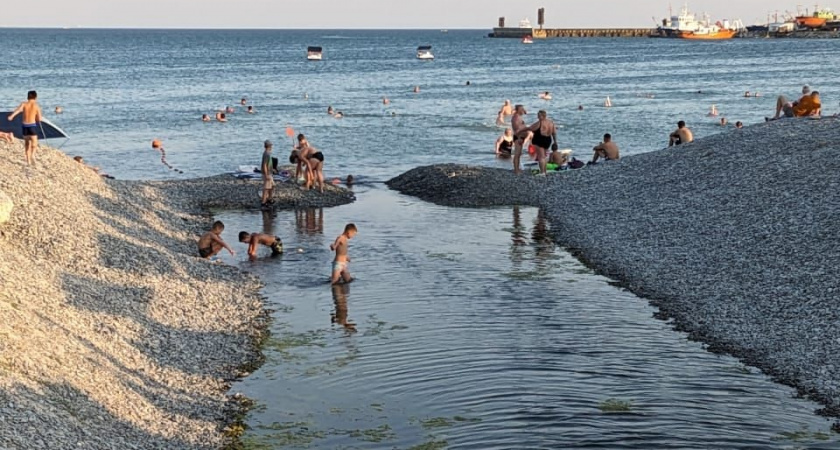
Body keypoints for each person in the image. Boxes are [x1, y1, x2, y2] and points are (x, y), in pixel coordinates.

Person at [8, 90, 43, 166]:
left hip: (24, 126)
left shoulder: (24, 104)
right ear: (35, 97)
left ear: (28, 97)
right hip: (32, 125)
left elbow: (17, 111)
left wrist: (11, 116)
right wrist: (36, 118)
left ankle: (28, 161)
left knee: (27, 143)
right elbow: (40, 119)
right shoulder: (36, 106)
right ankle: (33, 155)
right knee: (34, 142)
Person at [528, 110, 557, 176]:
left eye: (539, 115)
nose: (537, 116)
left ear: (543, 116)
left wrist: (521, 130)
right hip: (548, 140)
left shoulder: (539, 123)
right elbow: (554, 133)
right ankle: (545, 171)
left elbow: (531, 128)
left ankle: (542, 172)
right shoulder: (551, 123)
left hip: (540, 140)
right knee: (544, 156)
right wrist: (555, 141)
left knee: (541, 157)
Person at [511, 105, 534, 175]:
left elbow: (522, 126)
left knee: (519, 154)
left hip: (521, 137)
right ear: (517, 110)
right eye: (521, 109)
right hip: (519, 137)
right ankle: (516, 170)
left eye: (523, 109)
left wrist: (524, 111)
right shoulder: (516, 117)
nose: (523, 110)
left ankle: (517, 168)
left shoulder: (519, 116)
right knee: (517, 154)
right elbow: (516, 129)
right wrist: (519, 138)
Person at [261, 140, 275, 207]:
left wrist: (273, 170)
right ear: (269, 146)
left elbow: (269, 164)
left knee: (272, 186)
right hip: (267, 174)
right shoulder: (267, 154)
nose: (272, 147)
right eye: (271, 145)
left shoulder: (268, 153)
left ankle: (270, 198)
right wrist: (266, 175)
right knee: (266, 188)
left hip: (270, 172)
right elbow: (264, 165)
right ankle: (263, 202)